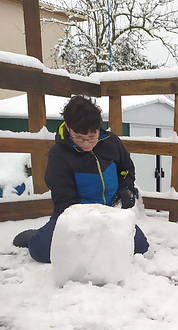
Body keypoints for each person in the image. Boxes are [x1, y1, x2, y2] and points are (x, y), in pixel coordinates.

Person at [13, 95, 149, 262]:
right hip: (72, 216)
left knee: (140, 247)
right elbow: (64, 200)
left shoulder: (111, 142)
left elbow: (126, 169)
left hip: (110, 213)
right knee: (41, 251)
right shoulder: (59, 155)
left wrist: (126, 188)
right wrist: (92, 221)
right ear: (69, 128)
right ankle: (37, 236)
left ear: (99, 128)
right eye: (80, 137)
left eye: (92, 137)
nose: (86, 144)